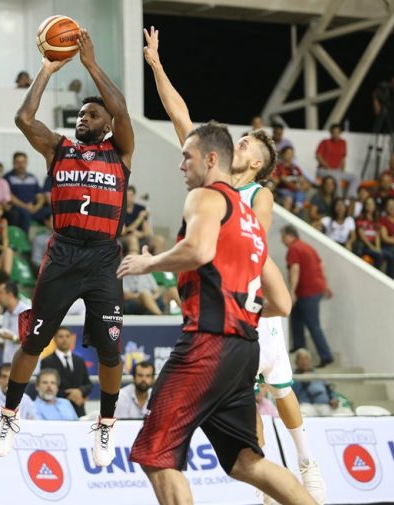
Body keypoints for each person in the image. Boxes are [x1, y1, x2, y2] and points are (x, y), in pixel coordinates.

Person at [141, 26, 324, 504]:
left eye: (247, 145)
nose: (239, 144)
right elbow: (179, 115)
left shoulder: (251, 196)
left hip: (236, 313)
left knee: (277, 387)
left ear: (256, 164)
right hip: (236, 321)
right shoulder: (210, 174)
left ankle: (308, 460)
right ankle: (280, 485)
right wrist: (157, 66)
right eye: (238, 141)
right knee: (245, 453)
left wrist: (150, 262)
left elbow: (245, 250)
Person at [117, 121, 313, 505]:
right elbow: (282, 303)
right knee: (246, 462)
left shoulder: (205, 198)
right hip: (244, 348)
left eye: (186, 158)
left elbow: (199, 251)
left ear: (210, 160)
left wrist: (148, 263)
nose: (181, 166)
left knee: (156, 453)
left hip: (207, 343)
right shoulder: (251, 221)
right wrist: (239, 308)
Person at [0, 29, 135, 468]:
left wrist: (90, 64)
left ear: (106, 125)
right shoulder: (59, 148)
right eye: (80, 114)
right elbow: (23, 118)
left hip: (104, 258)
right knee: (33, 342)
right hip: (64, 255)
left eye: (92, 114)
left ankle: (106, 422)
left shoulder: (120, 152)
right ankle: (9, 414)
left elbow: (122, 109)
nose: (82, 118)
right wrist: (46, 69)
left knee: (110, 351)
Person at [281, 225, 335, 367]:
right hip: (315, 289)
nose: (282, 240)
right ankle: (298, 345)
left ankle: (326, 355)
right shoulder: (307, 247)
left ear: (289, 235)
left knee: (313, 324)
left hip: (307, 290)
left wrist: (292, 291)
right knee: (296, 315)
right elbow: (321, 264)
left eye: (283, 237)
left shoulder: (293, 249)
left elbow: (295, 269)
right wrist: (325, 284)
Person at [40, 326, 93, 417]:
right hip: (57, 410)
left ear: (71, 339)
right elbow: (47, 385)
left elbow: (88, 384)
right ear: (54, 339)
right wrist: (71, 395)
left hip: (79, 410)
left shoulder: (79, 361)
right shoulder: (47, 362)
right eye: (60, 336)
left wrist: (80, 391)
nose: (64, 339)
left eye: (67, 336)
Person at [291, 349, 351, 417]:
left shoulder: (317, 375)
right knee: (300, 416)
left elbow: (330, 388)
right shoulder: (294, 377)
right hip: (307, 405)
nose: (304, 362)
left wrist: (334, 399)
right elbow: (293, 393)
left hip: (324, 405)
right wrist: (302, 379)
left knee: (347, 412)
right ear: (296, 362)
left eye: (306, 359)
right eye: (301, 359)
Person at [4, 151, 47, 232]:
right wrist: (25, 206)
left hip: (33, 208)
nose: (21, 165)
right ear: (13, 163)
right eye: (18, 162)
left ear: (27, 163)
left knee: (50, 211)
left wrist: (36, 207)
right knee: (24, 213)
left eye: (23, 162)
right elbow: (9, 196)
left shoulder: (32, 177)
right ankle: (24, 238)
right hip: (17, 208)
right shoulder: (7, 178)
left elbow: (40, 196)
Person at [0, 281, 30, 363]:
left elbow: (31, 341)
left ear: (10, 295)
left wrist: (12, 337)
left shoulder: (27, 312)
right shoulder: (6, 315)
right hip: (8, 363)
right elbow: (7, 345)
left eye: (1, 293)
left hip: (25, 364)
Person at [316, 124, 358, 198]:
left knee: (354, 177)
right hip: (323, 170)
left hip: (337, 171)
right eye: (334, 132)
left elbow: (343, 158)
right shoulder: (325, 142)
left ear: (340, 133)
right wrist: (328, 167)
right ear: (331, 133)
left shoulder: (343, 142)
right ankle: (338, 198)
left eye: (338, 132)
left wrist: (342, 170)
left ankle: (350, 197)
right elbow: (318, 156)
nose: (336, 134)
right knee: (336, 176)